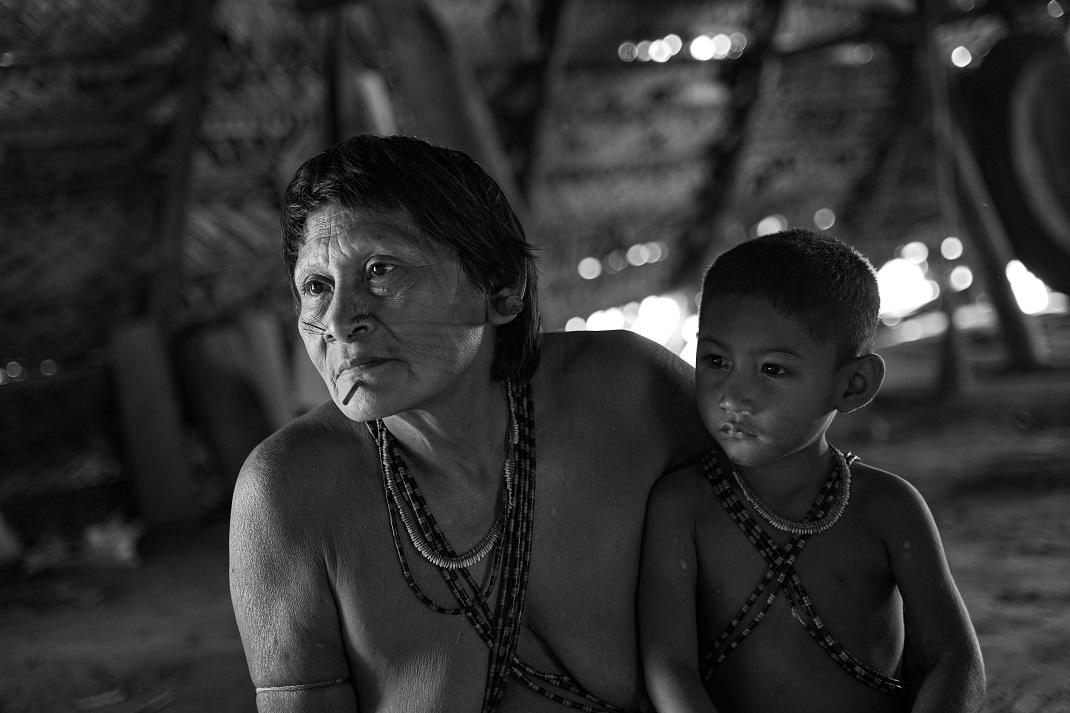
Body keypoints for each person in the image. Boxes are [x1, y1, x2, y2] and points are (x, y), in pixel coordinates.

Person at [228, 133, 716, 713]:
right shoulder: (291, 488)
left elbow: (796, 560)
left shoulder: (628, 395)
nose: (339, 320)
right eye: (316, 287)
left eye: (381, 270)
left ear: (502, 290)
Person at [638, 229, 985, 713]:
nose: (731, 397)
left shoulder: (888, 507)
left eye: (772, 369)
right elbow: (668, 664)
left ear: (853, 385)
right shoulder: (683, 507)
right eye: (716, 360)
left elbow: (954, 659)